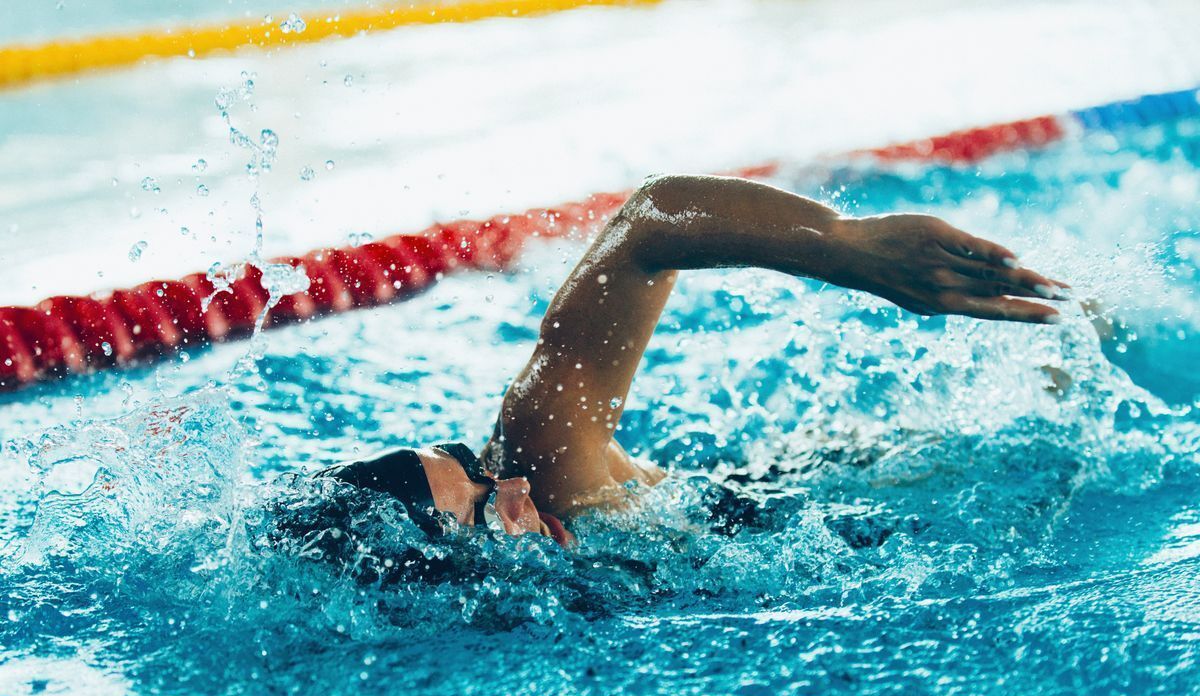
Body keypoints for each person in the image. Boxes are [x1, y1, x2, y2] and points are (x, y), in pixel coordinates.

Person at [308, 174, 1070, 550]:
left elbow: (649, 223)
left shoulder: (543, 467)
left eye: (470, 463)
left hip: (787, 504)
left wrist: (845, 247)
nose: (509, 488)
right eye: (481, 510)